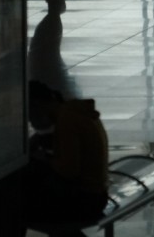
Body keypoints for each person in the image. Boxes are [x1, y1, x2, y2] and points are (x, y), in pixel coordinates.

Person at [22, 81, 109, 234]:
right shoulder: (75, 112)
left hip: (85, 200)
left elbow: (69, 171)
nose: (30, 120)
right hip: (96, 195)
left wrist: (44, 158)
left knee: (17, 206)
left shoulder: (67, 121)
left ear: (37, 105)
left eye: (29, 113)